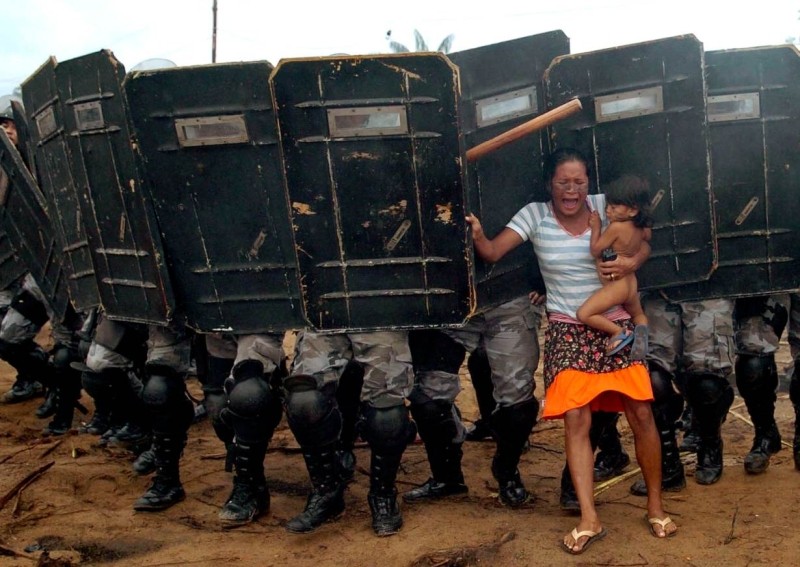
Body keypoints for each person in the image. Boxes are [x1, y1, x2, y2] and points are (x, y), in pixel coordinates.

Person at [466, 147, 676, 554]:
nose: (572, 190)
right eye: (564, 181)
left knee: (642, 411)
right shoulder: (534, 215)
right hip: (568, 328)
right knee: (576, 417)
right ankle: (589, 517)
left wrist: (633, 262)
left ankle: (655, 506)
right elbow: (491, 252)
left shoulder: (605, 206)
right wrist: (475, 231)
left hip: (618, 324)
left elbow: (645, 238)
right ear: (550, 184)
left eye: (579, 181)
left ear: (588, 185)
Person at [283, 329, 415, 537]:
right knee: (304, 400)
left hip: (379, 318)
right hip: (322, 320)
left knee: (387, 413)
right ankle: (327, 492)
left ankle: (383, 495)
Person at [576, 174, 652, 358]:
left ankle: (618, 332)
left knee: (584, 314)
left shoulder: (616, 227)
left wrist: (596, 227)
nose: (608, 211)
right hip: (631, 284)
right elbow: (647, 239)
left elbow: (595, 250)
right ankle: (642, 340)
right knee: (638, 314)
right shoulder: (640, 228)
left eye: (613, 207)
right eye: (607, 206)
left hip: (616, 285)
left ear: (632, 210)